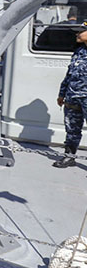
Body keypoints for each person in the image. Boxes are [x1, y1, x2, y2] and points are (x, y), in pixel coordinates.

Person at [53, 22, 87, 168]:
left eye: (80, 31)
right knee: (72, 129)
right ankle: (69, 156)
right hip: (73, 96)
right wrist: (62, 94)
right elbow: (70, 74)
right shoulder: (79, 51)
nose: (76, 34)